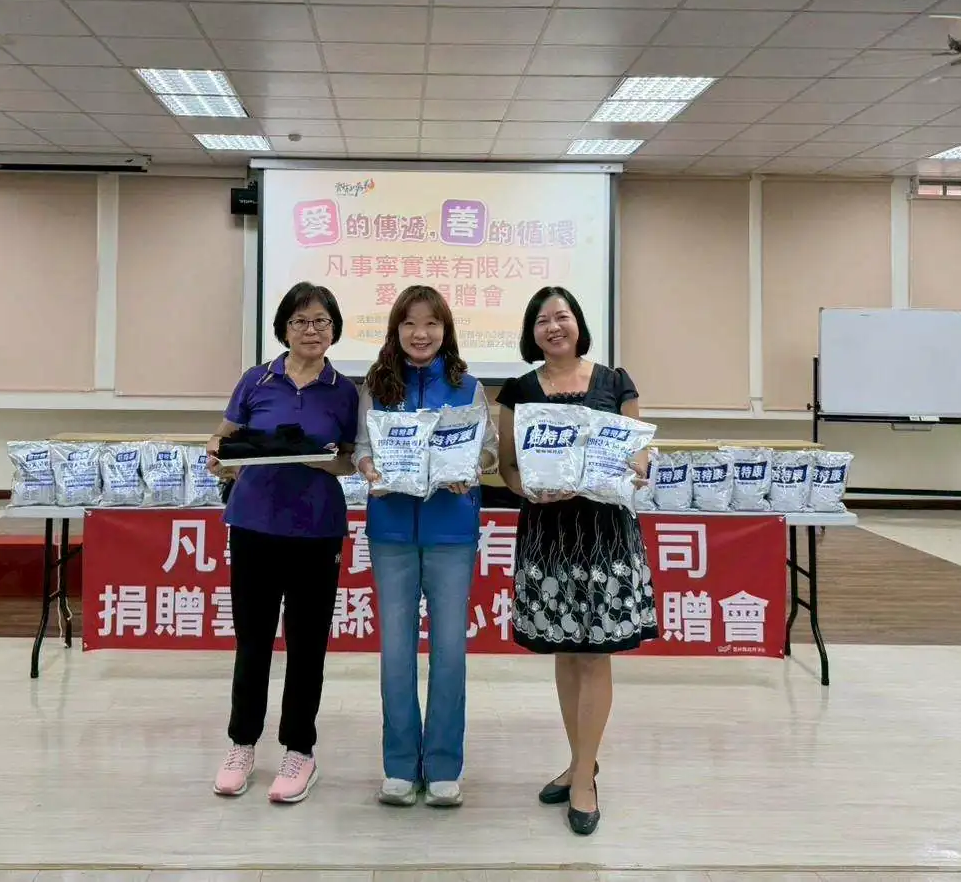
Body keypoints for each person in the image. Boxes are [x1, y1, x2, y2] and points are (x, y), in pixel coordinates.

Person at [495, 286, 658, 837]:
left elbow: (638, 450)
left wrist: (638, 466)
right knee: (566, 653)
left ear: (578, 324)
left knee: (594, 655)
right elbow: (509, 468)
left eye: (561, 316)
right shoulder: (519, 391)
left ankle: (584, 777)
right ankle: (578, 761)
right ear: (532, 332)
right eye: (542, 320)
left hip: (605, 534)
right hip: (549, 533)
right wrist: (527, 489)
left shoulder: (614, 382)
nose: (553, 327)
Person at [207, 282, 359, 804]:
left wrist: (322, 461)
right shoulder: (257, 379)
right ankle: (241, 743)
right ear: (283, 329)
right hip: (253, 523)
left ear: (334, 329)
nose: (311, 330)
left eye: (321, 321)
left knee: (307, 645)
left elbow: (350, 460)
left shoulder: (344, 390)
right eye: (300, 321)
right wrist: (217, 453)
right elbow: (223, 436)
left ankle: (299, 750)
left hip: (317, 530)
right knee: (252, 641)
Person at [353, 285, 498, 810]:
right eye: (410, 323)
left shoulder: (468, 387)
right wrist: (370, 469)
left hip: (451, 532)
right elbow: (362, 450)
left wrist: (470, 469)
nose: (421, 334)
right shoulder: (376, 385)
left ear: (446, 330)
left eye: (431, 323)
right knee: (396, 651)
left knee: (450, 650)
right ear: (395, 330)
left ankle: (442, 766)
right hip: (391, 531)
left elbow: (488, 452)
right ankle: (398, 766)